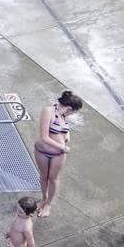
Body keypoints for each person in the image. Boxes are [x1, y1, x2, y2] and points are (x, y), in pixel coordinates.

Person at [33, 90, 83, 218]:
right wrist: (63, 147)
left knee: (53, 178)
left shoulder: (63, 115)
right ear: (69, 108)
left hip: (58, 155)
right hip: (43, 151)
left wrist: (67, 135)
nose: (72, 114)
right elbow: (44, 137)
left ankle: (48, 204)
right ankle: (44, 198)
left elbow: (63, 127)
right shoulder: (48, 111)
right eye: (73, 112)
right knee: (44, 176)